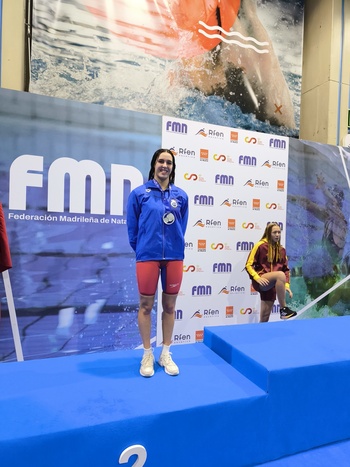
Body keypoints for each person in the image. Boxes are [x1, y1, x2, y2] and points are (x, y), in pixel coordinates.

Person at [127, 149, 189, 377]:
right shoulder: (139, 194)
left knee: (170, 306)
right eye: (161, 161)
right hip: (148, 256)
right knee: (145, 306)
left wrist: (174, 247)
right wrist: (144, 248)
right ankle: (147, 354)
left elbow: (182, 227)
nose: (165, 165)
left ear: (173, 168)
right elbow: (132, 230)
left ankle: (165, 353)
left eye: (169, 163)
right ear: (154, 164)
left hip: (174, 257)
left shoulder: (181, 196)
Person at [245, 222, 297, 322]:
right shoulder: (260, 246)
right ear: (268, 233)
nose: (277, 234)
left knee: (265, 317)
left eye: (279, 232)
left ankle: (260, 335)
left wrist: (286, 286)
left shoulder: (282, 250)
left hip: (274, 284)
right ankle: (283, 310)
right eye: (274, 232)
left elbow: (286, 269)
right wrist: (257, 278)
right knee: (280, 275)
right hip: (262, 280)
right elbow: (248, 265)